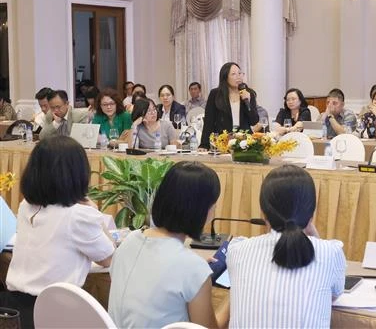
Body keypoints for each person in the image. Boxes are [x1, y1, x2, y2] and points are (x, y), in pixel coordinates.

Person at [2, 136, 115, 328]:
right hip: (54, 313)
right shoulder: (79, 215)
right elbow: (109, 259)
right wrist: (94, 212)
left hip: (13, 307)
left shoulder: (26, 205)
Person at [108, 161, 227, 328]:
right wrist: (233, 297)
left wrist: (191, 265)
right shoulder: (193, 269)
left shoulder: (129, 241)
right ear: (204, 210)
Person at [227, 165, 345, 328]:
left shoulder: (237, 250)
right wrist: (314, 235)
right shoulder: (331, 252)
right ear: (311, 213)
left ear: (263, 213)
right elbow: (333, 295)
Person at [200, 62, 259, 149]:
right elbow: (209, 121)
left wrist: (248, 101)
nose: (238, 76)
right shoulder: (215, 94)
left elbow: (254, 121)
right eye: (233, 74)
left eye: (240, 73)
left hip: (244, 142)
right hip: (223, 141)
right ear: (225, 77)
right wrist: (204, 145)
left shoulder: (249, 93)